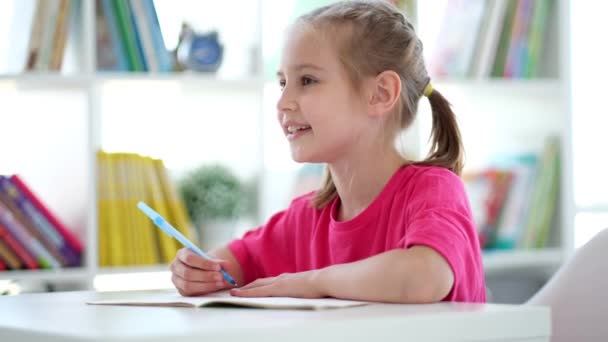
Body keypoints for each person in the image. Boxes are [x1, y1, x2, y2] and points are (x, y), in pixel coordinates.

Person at [170, 0, 485, 303]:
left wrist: (312, 281)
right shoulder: (305, 218)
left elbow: (424, 277)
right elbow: (233, 262)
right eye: (282, 83)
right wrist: (200, 271)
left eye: (307, 80)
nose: (283, 102)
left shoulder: (433, 190)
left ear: (380, 93)